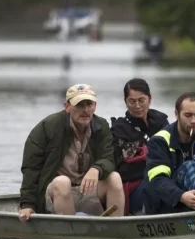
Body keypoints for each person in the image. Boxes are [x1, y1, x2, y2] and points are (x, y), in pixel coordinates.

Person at [18, 83, 125, 223]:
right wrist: (27, 205)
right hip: (56, 194)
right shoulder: (48, 127)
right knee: (62, 182)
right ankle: (69, 237)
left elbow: (109, 157)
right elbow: (31, 169)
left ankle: (116, 231)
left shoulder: (101, 126)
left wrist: (96, 168)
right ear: (67, 107)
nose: (85, 110)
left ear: (95, 106)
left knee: (114, 178)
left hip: (87, 191)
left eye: (89, 104)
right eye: (79, 105)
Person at [110, 78, 169, 215]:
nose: (137, 106)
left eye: (141, 100)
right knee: (155, 179)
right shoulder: (119, 130)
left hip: (165, 180)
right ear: (125, 102)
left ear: (150, 99)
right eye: (132, 101)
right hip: (138, 189)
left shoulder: (161, 122)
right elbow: (121, 168)